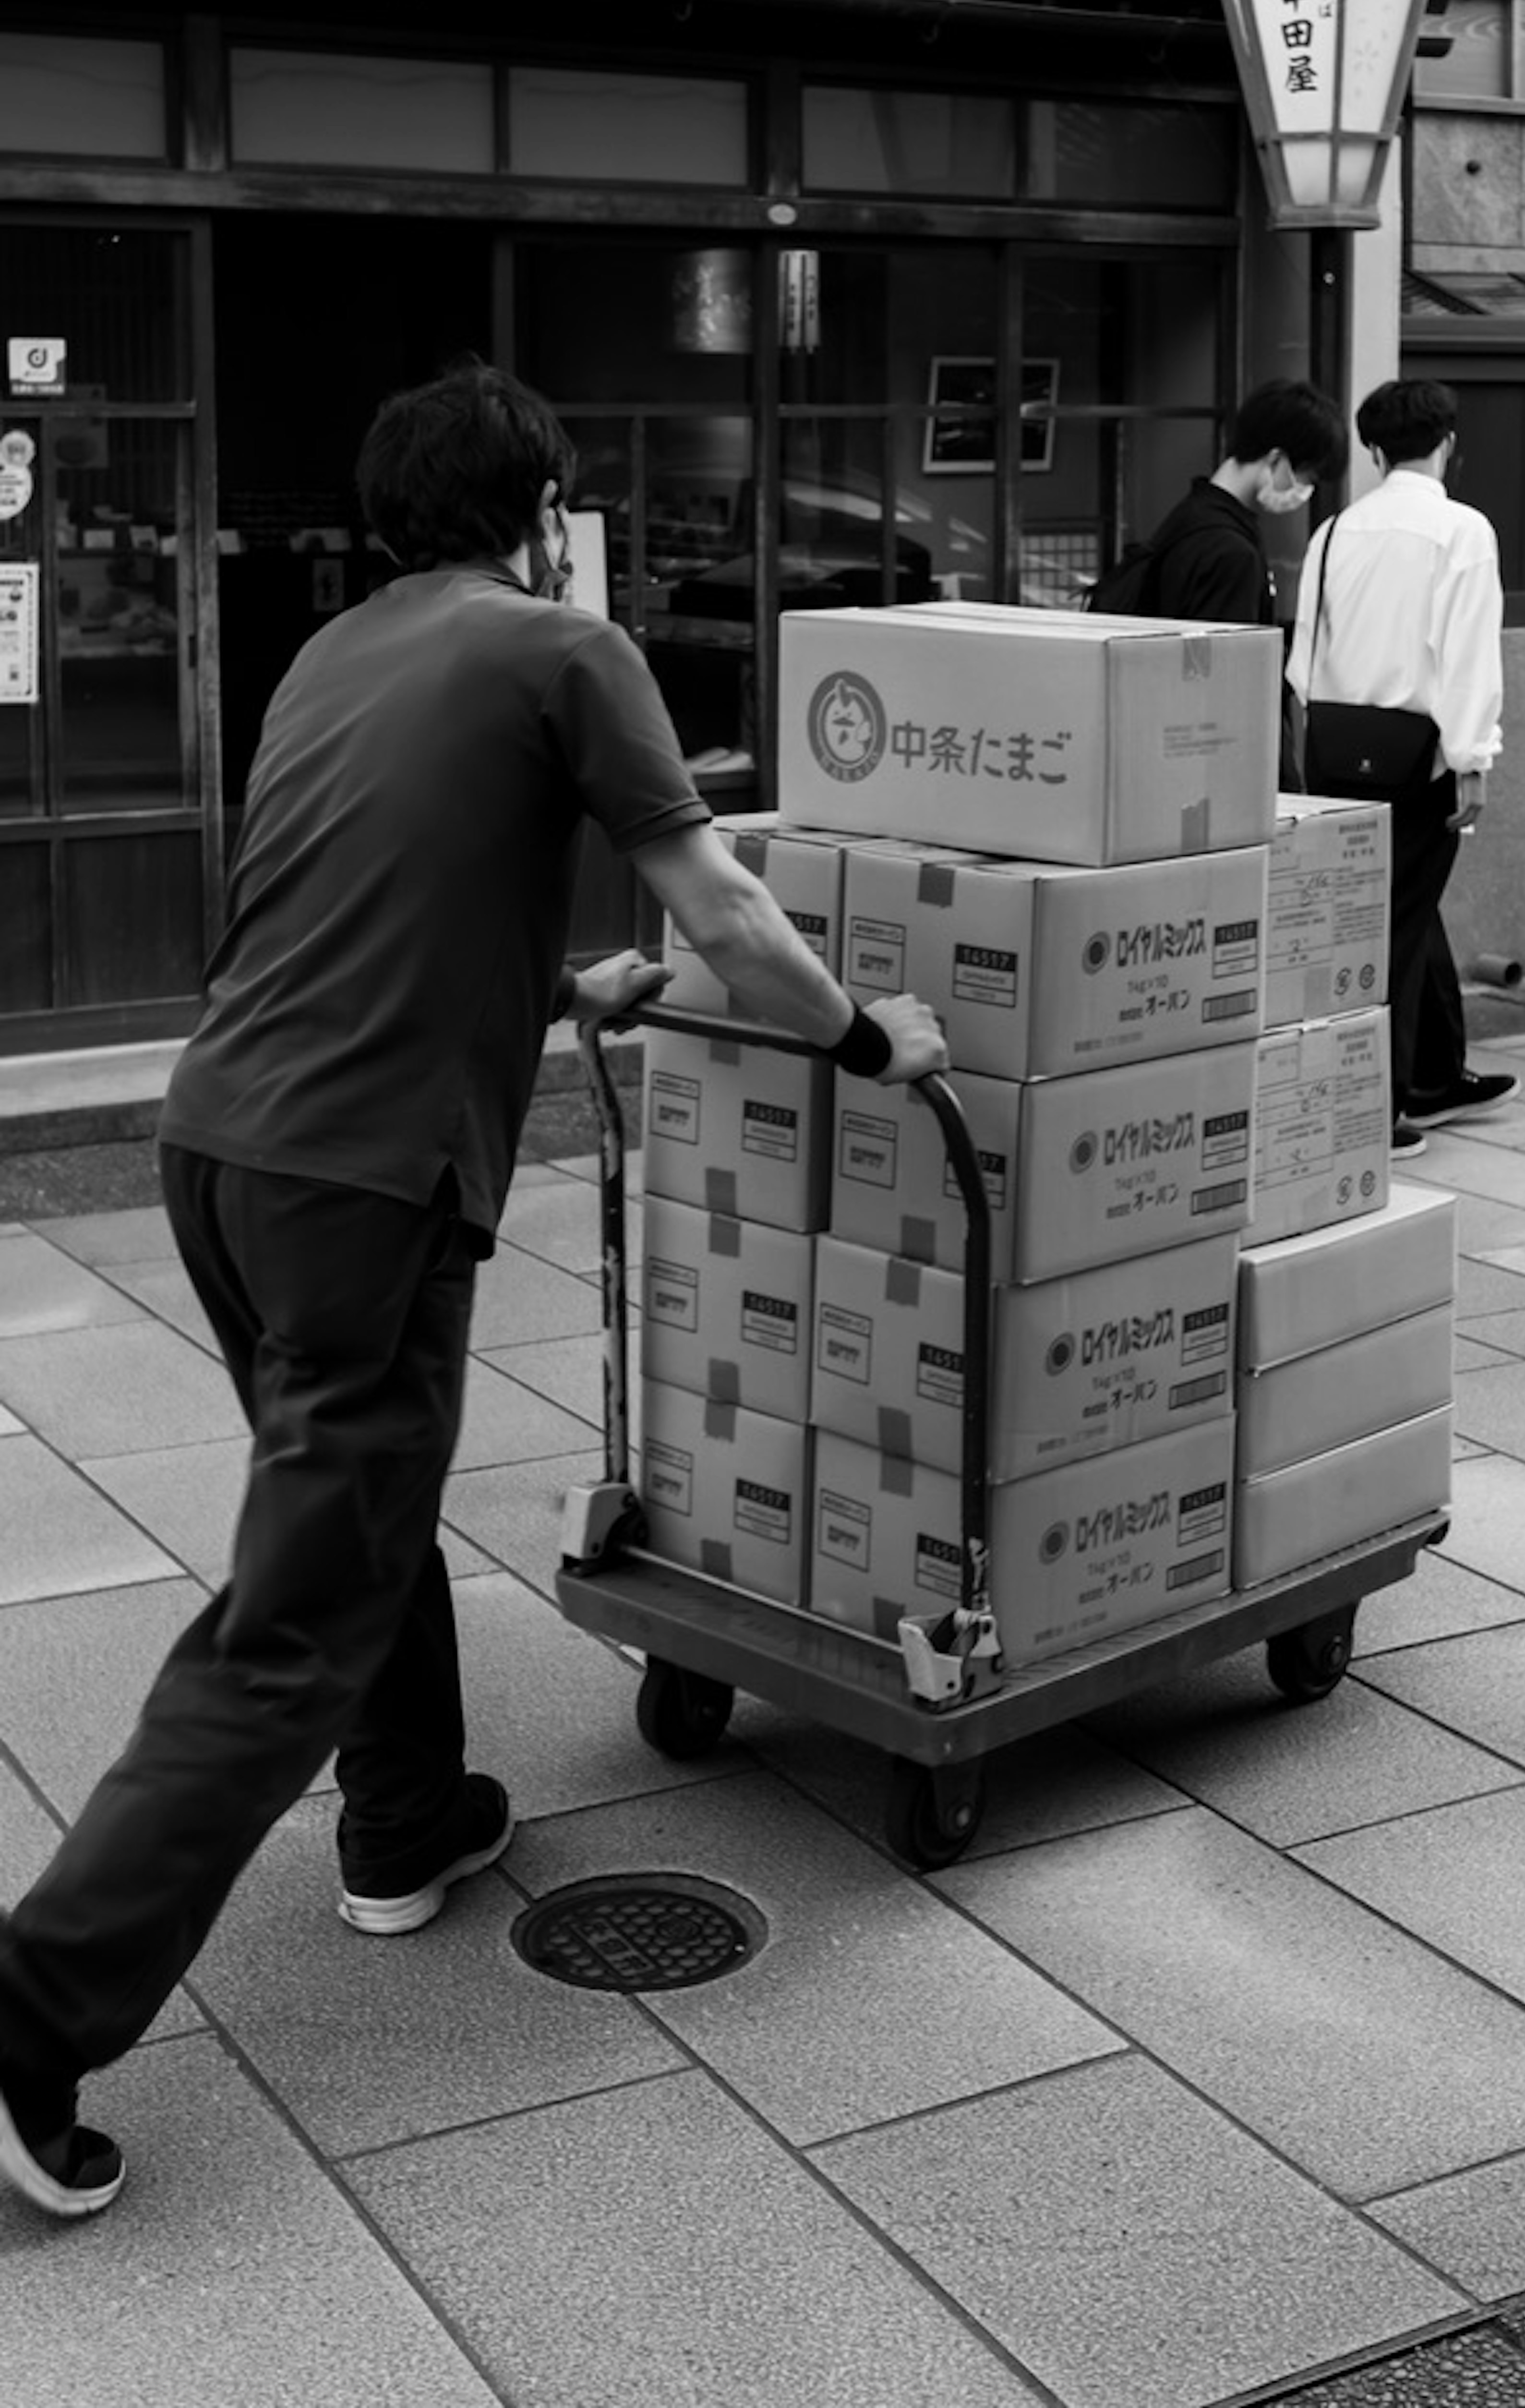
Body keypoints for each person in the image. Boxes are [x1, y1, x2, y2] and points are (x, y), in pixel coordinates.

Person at [0, 361, 947, 2221]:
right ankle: (38, 2010)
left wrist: (544, 986)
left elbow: (358, 912)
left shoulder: (330, 657)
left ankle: (409, 1815)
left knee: (358, 1504)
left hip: (223, 1148)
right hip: (362, 1180)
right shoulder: (562, 648)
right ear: (545, 508)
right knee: (294, 1620)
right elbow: (724, 910)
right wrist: (860, 1037)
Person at [1287, 376, 1519, 1158]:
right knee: (1389, 928)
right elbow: (1468, 657)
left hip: (1333, 756)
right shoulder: (1463, 531)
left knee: (1391, 915)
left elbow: (1301, 664)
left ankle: (1431, 1074)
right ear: (1449, 445)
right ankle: (1374, 1109)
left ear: (1375, 451)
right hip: (1419, 761)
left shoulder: (1332, 533)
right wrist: (1472, 760)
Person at [1137, 377, 1349, 628]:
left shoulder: (1192, 518)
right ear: (1277, 459)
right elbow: (1227, 662)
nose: (1306, 492)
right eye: (1308, 478)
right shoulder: (1231, 552)